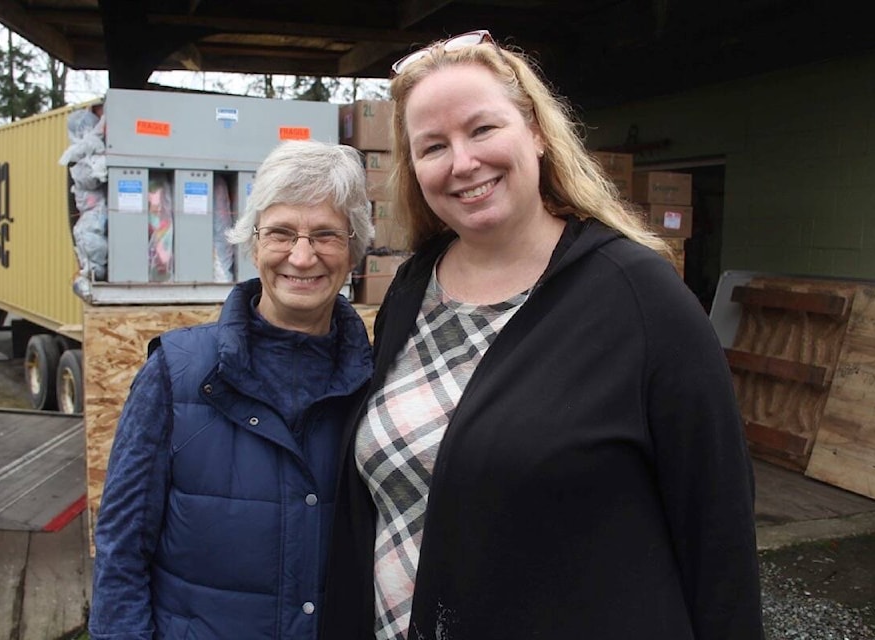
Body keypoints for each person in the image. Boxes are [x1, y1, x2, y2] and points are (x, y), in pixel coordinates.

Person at [319, 30, 764, 640]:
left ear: (535, 131)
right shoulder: (410, 290)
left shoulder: (641, 298)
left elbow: (718, 535)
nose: (463, 162)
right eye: (433, 146)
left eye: (482, 129)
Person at [89, 139, 374, 640]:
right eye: (281, 232)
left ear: (353, 250)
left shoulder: (377, 383)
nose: (302, 257)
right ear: (252, 241)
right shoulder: (176, 374)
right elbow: (122, 548)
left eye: (326, 234)